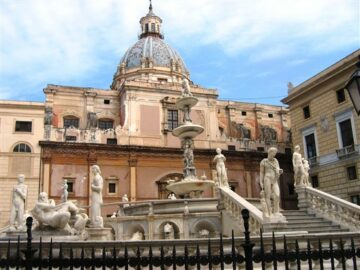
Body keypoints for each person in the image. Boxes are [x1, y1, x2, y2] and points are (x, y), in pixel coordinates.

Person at [260, 147, 283, 218]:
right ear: (270, 152)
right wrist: (261, 182)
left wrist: (280, 171)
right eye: (274, 153)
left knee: (277, 195)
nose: (274, 155)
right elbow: (261, 172)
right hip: (267, 178)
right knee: (268, 195)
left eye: (275, 153)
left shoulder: (275, 161)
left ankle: (276, 211)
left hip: (275, 179)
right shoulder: (264, 161)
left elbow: (278, 168)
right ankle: (269, 212)